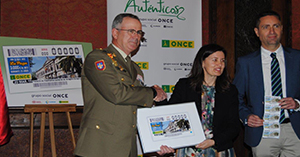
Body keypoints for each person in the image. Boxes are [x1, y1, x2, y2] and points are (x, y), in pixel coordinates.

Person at [74, 13, 174, 157]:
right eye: (131, 31)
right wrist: (152, 93)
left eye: (139, 32)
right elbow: (117, 94)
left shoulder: (135, 68)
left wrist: (157, 142)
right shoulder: (98, 58)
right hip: (99, 147)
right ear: (115, 32)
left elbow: (139, 109)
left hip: (127, 148)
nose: (136, 36)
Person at [233, 10, 300, 156]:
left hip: (295, 130)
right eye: (266, 27)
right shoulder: (246, 63)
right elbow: (235, 97)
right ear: (257, 32)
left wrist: (297, 104)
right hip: (262, 131)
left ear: (281, 29)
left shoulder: (297, 58)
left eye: (276, 26)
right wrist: (246, 116)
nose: (272, 31)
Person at [168, 44, 240, 157]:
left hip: (219, 149)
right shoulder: (185, 86)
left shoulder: (230, 91)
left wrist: (214, 141)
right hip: (189, 150)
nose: (219, 64)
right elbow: (171, 114)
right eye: (214, 60)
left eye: (222, 61)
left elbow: (234, 126)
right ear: (202, 62)